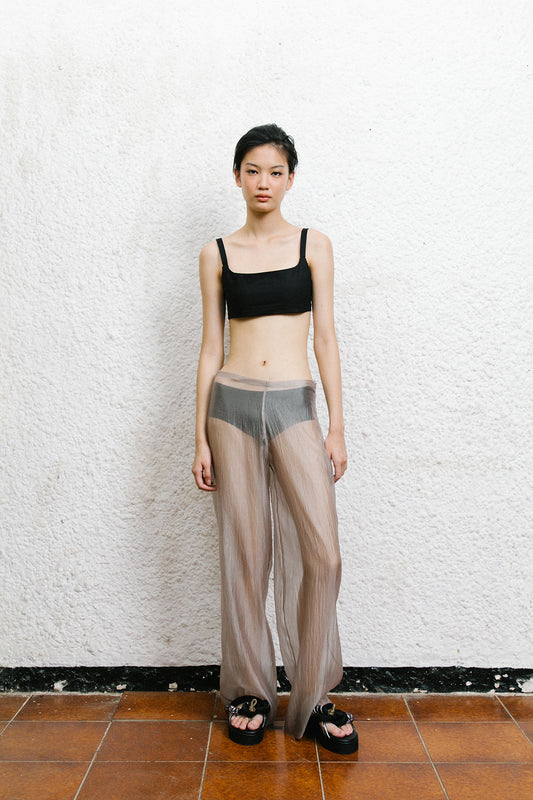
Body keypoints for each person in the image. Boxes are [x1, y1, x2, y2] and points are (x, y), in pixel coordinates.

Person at [192, 124, 358, 754]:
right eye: (253, 170)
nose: (264, 182)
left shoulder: (314, 245)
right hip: (230, 407)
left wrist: (335, 425)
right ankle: (250, 691)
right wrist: (199, 439)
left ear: (291, 178)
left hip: (293, 405)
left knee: (324, 555)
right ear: (237, 176)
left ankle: (313, 697)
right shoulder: (217, 253)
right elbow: (211, 347)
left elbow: (325, 338)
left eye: (276, 171)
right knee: (245, 554)